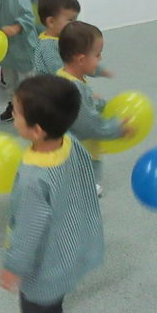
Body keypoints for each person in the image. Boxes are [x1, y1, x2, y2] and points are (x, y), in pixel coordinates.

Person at [0, 75, 106, 313]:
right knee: (52, 299)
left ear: (37, 130)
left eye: (16, 112)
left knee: (36, 309)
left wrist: (13, 266)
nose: (13, 116)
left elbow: (29, 228)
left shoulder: (35, 176)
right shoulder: (70, 142)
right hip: (74, 238)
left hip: (49, 255)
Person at [56, 21, 129, 195]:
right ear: (81, 59)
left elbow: (77, 109)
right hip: (80, 149)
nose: (100, 59)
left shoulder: (62, 75)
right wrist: (117, 128)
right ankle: (88, 193)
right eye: (97, 55)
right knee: (87, 176)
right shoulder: (76, 89)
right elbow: (91, 126)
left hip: (64, 141)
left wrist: (98, 103)